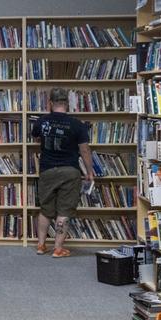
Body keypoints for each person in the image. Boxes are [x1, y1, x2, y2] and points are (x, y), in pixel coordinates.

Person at [29, 87, 95, 258]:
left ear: (50, 103)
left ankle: (41, 245)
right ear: (67, 103)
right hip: (70, 171)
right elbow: (85, 150)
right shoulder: (77, 125)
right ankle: (58, 248)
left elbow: (36, 137)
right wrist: (89, 171)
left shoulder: (41, 122)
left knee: (45, 209)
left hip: (47, 170)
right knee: (64, 210)